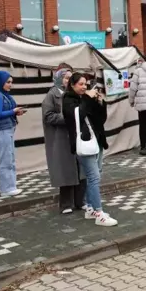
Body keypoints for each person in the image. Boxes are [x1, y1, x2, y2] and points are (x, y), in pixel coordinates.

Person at [63, 73, 117, 226]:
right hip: (83, 144)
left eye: (85, 84)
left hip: (96, 141)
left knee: (94, 175)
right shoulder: (68, 100)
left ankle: (90, 208)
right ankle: (99, 213)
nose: (84, 87)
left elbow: (100, 119)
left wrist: (100, 103)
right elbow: (77, 116)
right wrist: (87, 98)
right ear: (72, 85)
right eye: (80, 84)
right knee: (94, 177)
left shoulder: (84, 99)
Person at [42, 67, 86, 214]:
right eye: (66, 78)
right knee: (66, 171)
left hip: (76, 136)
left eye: (69, 78)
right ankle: (66, 204)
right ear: (59, 79)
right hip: (61, 138)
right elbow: (48, 116)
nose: (67, 81)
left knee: (81, 170)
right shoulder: (52, 95)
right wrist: (67, 118)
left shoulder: (73, 95)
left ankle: (80, 201)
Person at [0, 71, 25, 197]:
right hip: (2, 131)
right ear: (1, 82)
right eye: (8, 82)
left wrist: (16, 112)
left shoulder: (4, 95)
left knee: (10, 158)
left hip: (8, 130)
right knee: (6, 160)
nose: (10, 85)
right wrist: (12, 111)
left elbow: (6, 112)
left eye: (11, 82)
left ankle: (11, 186)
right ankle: (7, 188)